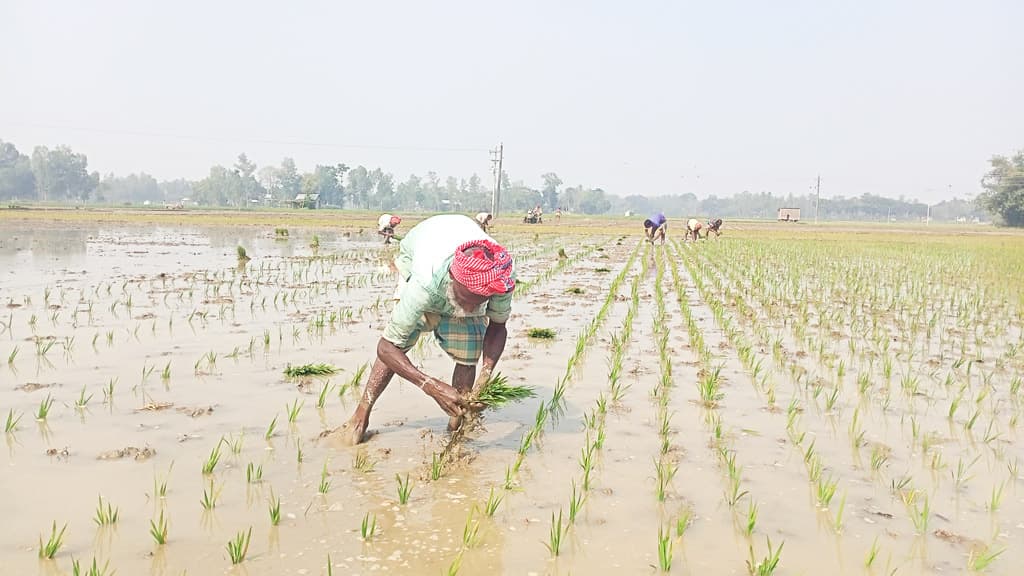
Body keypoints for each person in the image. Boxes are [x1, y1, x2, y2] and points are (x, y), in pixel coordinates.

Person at [338, 214, 516, 444]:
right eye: (466, 299)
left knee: (469, 349)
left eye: (479, 301)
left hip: (455, 243)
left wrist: (485, 376)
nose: (471, 307)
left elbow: (498, 326)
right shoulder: (424, 283)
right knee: (399, 340)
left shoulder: (501, 275)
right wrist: (429, 385)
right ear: (452, 280)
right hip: (422, 250)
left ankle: (456, 425)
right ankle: (361, 414)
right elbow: (386, 347)